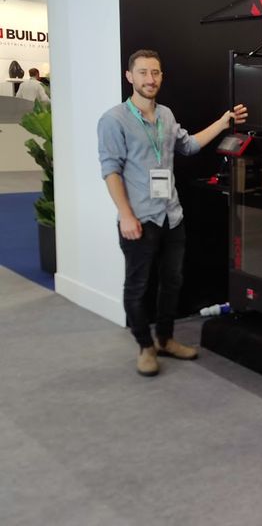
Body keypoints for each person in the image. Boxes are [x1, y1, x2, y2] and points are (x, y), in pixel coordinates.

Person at [97, 49, 248, 376]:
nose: (150, 79)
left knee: (173, 282)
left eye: (155, 72)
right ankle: (145, 346)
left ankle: (165, 339)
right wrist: (125, 215)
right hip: (140, 219)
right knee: (137, 287)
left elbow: (188, 145)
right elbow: (111, 171)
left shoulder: (165, 114)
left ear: (161, 76)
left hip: (171, 216)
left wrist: (223, 122)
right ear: (130, 76)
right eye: (142, 72)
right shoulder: (113, 120)